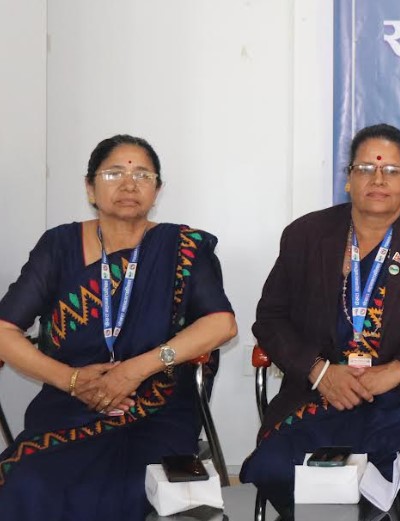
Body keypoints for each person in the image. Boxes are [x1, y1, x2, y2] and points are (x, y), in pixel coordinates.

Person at [241, 123, 400, 510]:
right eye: (366, 169)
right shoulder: (306, 235)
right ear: (348, 180)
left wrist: (398, 370)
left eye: (392, 170)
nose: (378, 179)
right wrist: (320, 372)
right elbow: (270, 319)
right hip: (322, 396)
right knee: (278, 468)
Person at [0, 134, 237, 521]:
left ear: (157, 190)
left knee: (129, 485)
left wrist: (136, 369)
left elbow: (221, 323)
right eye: (114, 174)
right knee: (29, 482)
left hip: (157, 403)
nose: (129, 184)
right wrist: (72, 380)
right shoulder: (58, 246)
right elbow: (4, 331)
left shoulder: (182, 247)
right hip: (71, 402)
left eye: (143, 175)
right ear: (89, 187)